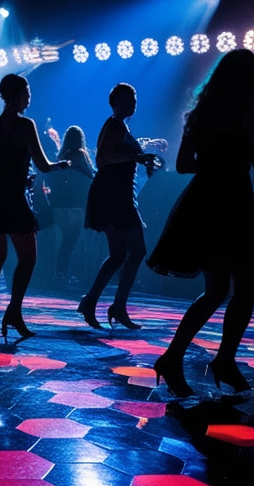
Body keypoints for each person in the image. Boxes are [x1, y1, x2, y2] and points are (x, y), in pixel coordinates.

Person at [146, 48, 254, 396]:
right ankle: (223, 359)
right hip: (235, 203)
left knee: (215, 290)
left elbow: (182, 165)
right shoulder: (250, 112)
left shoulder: (201, 113)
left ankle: (174, 356)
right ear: (250, 77)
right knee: (245, 288)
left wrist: (213, 164)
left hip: (203, 202)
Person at [0, 74, 70, 341]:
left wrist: (0, 172)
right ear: (15, 97)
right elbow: (43, 165)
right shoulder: (26, 124)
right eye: (27, 93)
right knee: (28, 257)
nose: (29, 97)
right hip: (13, 194)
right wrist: (62, 165)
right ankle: (13, 311)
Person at [79, 82, 167, 330]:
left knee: (121, 254)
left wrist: (142, 157)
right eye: (129, 99)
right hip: (112, 194)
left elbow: (119, 155)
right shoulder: (114, 125)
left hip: (119, 193)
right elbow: (103, 158)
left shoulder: (121, 126)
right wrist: (136, 156)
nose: (133, 103)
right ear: (117, 102)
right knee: (135, 251)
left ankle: (95, 301)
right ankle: (112, 305)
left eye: (135, 99)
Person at [47, 124, 95, 288]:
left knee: (66, 241)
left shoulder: (61, 156)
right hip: (76, 204)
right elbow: (90, 175)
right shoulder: (80, 155)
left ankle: (61, 273)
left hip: (60, 204)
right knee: (72, 241)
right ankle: (62, 274)